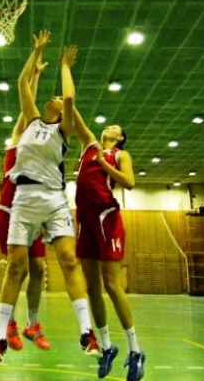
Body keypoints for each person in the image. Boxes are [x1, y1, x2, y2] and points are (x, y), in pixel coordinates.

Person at [0, 31, 100, 365]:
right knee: (15, 267)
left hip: (53, 199)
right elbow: (23, 83)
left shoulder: (62, 130)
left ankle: (86, 332)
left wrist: (65, 66)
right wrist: (35, 53)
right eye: (53, 98)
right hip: (23, 199)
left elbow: (70, 100)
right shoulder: (31, 124)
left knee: (68, 260)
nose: (55, 99)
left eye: (58, 100)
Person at [72, 113, 145, 380]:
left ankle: (135, 351)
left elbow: (130, 182)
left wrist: (104, 164)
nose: (108, 126)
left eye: (114, 126)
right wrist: (65, 102)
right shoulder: (89, 147)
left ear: (120, 137)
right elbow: (77, 121)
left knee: (112, 285)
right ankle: (106, 347)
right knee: (92, 288)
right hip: (85, 220)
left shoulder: (119, 155)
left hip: (106, 217)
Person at [0, 44, 50, 351]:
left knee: (38, 268)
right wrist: (35, 66)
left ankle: (32, 323)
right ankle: (8, 323)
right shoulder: (17, 141)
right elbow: (26, 101)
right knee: (18, 267)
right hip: (9, 211)